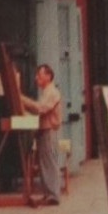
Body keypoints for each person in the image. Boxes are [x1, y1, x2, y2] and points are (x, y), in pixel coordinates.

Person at [21, 64, 63, 206]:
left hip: (49, 129)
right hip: (45, 129)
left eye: (39, 75)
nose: (36, 78)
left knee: (48, 161)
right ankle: (49, 194)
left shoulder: (52, 92)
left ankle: (53, 195)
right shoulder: (46, 92)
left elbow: (41, 108)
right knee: (45, 162)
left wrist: (22, 100)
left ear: (48, 76)